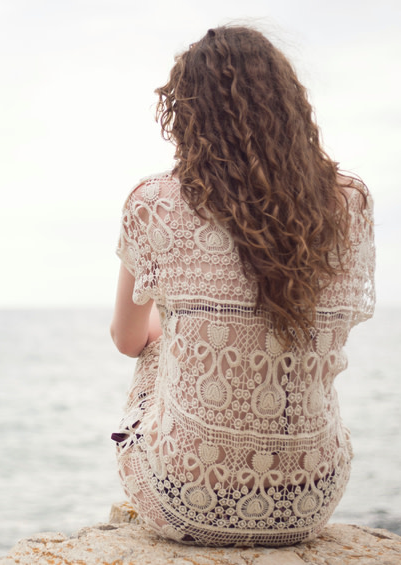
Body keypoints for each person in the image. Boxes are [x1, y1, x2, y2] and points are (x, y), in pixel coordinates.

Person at [109, 26, 375, 547]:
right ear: (290, 108)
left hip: (185, 499)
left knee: (156, 350)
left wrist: (176, 319)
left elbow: (126, 339)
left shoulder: (155, 202)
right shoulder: (350, 203)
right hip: (309, 499)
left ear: (186, 115)